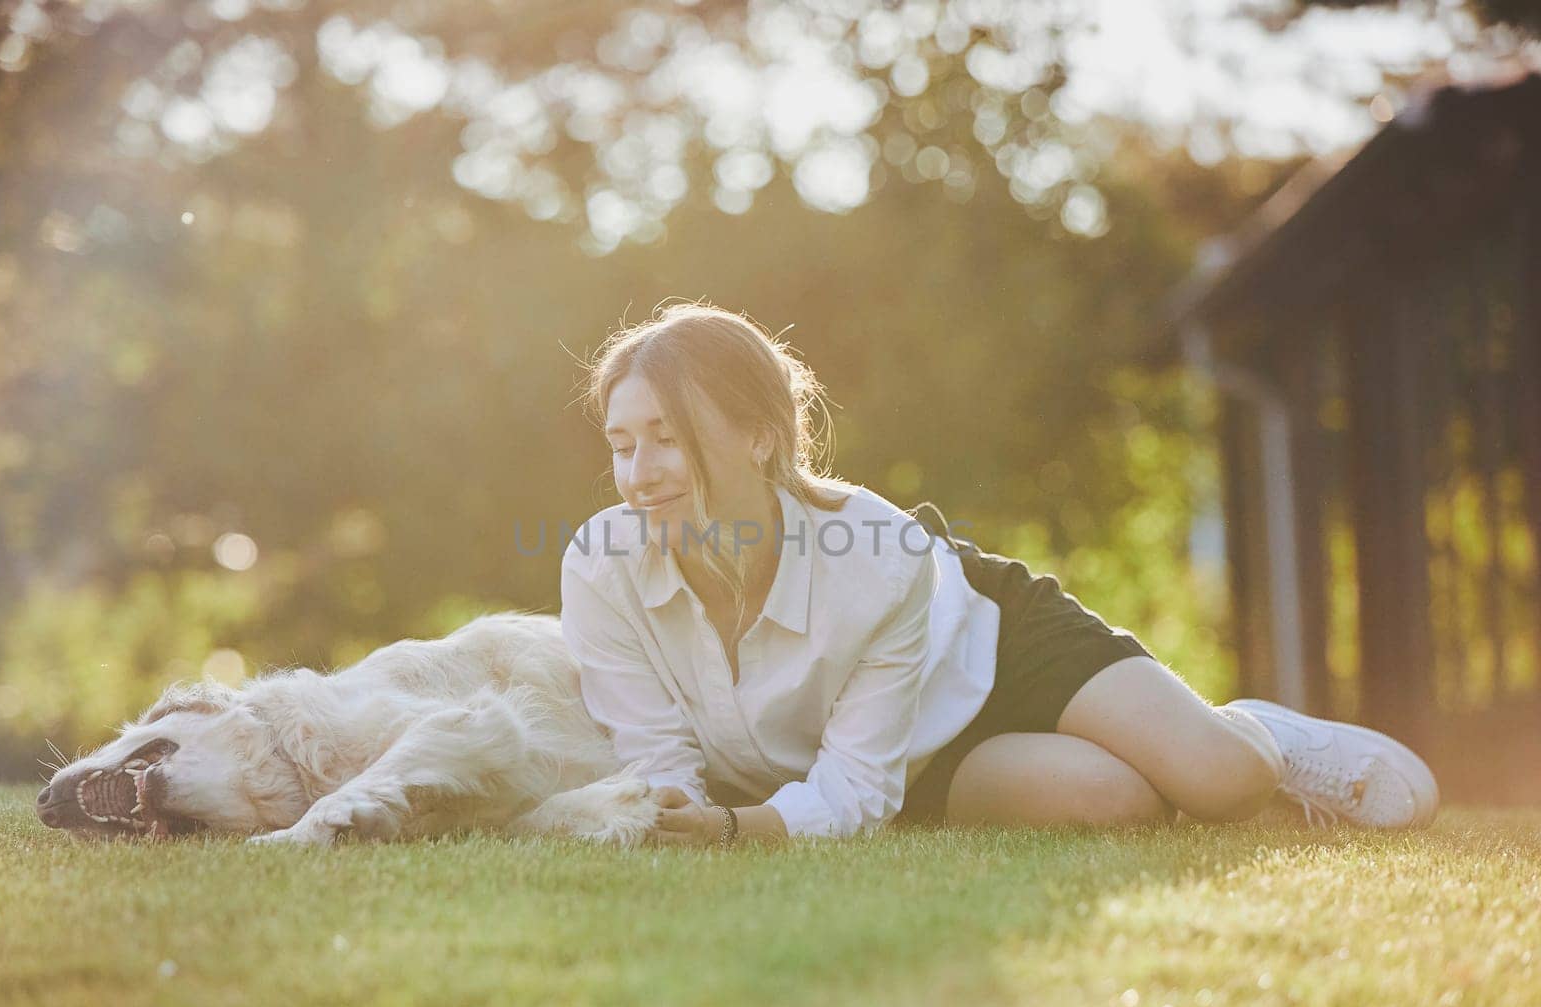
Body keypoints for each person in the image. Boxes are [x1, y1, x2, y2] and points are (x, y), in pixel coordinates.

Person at [560, 302, 1439, 846]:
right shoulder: (601, 567)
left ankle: (1261, 738)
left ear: (759, 434)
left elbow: (812, 800)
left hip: (984, 639)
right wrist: (676, 812)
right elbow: (670, 761)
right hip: (909, 752)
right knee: (1117, 804)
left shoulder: (881, 558)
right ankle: (1174, 759)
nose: (639, 474)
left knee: (1220, 779)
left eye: (668, 438)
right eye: (623, 444)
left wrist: (728, 832)